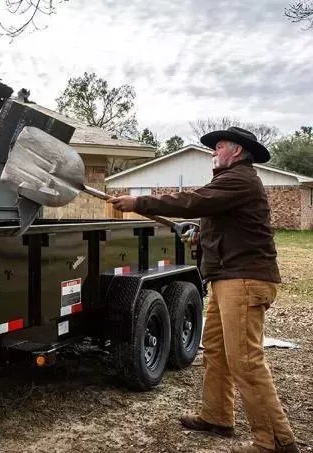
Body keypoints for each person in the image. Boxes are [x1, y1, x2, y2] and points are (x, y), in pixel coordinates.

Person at [108, 127, 298, 453]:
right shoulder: (231, 182)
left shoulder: (239, 179)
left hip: (244, 280)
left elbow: (192, 200)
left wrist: (140, 201)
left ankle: (275, 441)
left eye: (219, 146)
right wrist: (198, 234)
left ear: (236, 151)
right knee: (215, 349)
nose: (213, 151)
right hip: (229, 278)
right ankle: (217, 416)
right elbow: (221, 222)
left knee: (246, 361)